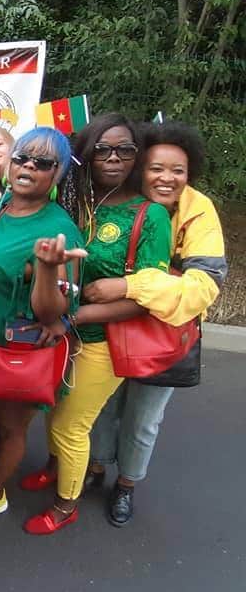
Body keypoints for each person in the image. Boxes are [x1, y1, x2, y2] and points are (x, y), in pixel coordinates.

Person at [21, 113, 172, 535]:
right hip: (60, 333)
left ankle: (66, 505)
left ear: (137, 157)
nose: (113, 158)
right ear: (87, 156)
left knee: (71, 423)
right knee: (53, 407)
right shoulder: (76, 204)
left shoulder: (150, 216)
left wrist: (74, 317)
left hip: (102, 340)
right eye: (102, 149)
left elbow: (145, 298)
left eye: (125, 149)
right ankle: (55, 466)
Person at [81, 121, 226, 526]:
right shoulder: (117, 202)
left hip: (165, 332)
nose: (167, 178)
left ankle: (126, 484)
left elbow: (202, 286)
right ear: (139, 168)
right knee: (103, 404)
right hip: (112, 322)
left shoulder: (198, 212)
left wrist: (130, 286)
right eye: (156, 168)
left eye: (178, 170)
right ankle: (96, 465)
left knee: (143, 417)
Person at [0, 127, 84, 526]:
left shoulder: (56, 229)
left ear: (57, 174)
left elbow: (51, 313)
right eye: (22, 157)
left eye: (42, 162)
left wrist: (47, 269)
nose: (28, 167)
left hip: (16, 348)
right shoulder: (3, 206)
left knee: (9, 427)